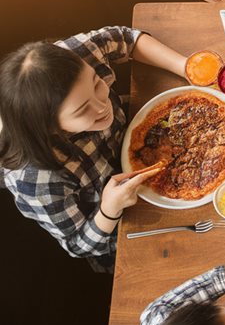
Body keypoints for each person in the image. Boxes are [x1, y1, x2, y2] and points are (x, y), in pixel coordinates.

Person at [0, 27, 186, 271]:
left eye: (97, 84)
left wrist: (185, 67)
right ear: (48, 126)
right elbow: (78, 245)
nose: (103, 105)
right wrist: (109, 209)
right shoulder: (35, 180)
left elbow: (125, 38)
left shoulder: (70, 60)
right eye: (81, 110)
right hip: (123, 220)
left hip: (151, 140)